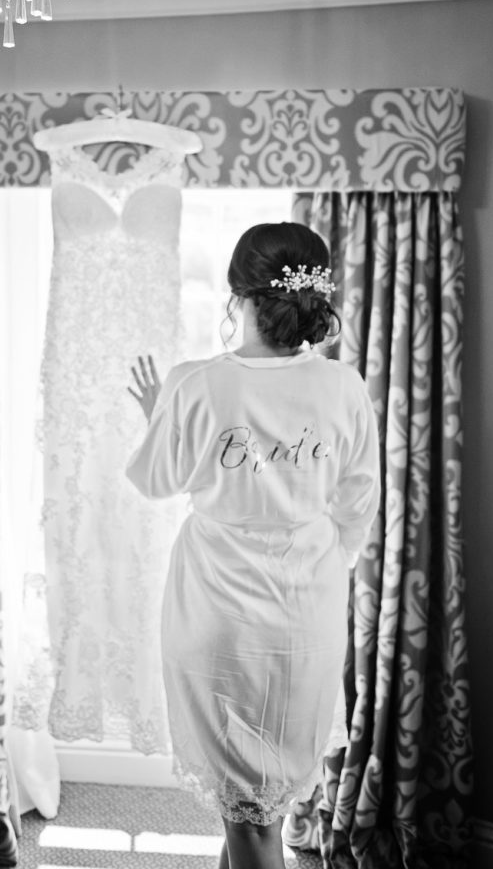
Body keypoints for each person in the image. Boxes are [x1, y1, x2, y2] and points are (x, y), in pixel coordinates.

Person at [125, 222, 381, 869]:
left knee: (250, 819)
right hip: (308, 607)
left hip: (217, 606)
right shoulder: (343, 386)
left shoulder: (193, 383)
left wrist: (162, 413)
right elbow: (357, 503)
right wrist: (322, 562)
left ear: (237, 295)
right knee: (256, 809)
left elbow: (157, 481)